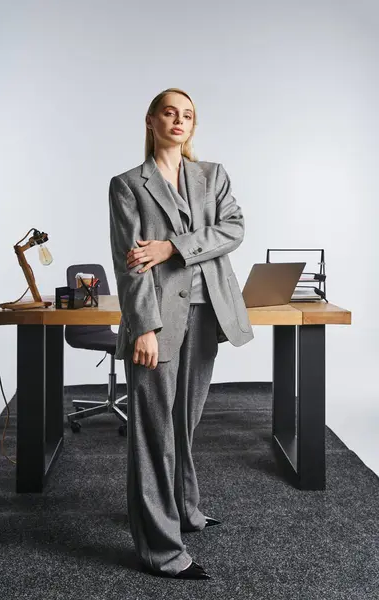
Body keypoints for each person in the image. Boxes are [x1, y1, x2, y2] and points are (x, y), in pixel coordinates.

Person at [108, 87, 254, 579]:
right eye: (169, 112)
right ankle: (160, 551)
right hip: (157, 320)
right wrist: (143, 327)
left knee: (185, 424)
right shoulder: (128, 184)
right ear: (151, 120)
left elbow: (234, 229)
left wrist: (171, 247)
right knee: (154, 434)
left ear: (193, 125)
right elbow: (129, 265)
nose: (179, 119)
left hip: (206, 313)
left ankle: (185, 511)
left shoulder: (213, 176)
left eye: (187, 114)